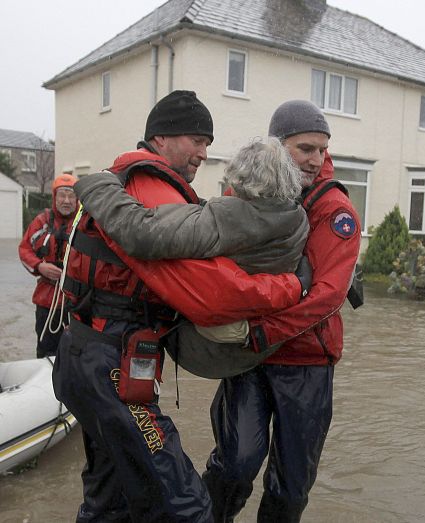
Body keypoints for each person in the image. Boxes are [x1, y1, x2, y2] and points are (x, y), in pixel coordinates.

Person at [52, 90, 310, 523]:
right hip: (112, 364)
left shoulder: (129, 174)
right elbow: (212, 295)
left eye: (208, 144)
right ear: (163, 137)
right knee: (187, 505)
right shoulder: (152, 186)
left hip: (84, 354)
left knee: (108, 500)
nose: (203, 154)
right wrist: (291, 287)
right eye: (197, 140)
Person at [203, 100, 361, 522]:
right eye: (305, 148)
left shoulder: (335, 210)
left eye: (322, 150)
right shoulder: (246, 195)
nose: (317, 159)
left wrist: (262, 332)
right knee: (234, 466)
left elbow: (327, 297)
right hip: (250, 360)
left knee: (290, 488)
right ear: (277, 145)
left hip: (304, 362)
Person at [73, 137, 311, 378]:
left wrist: (98, 186)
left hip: (210, 350)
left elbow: (141, 233)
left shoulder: (228, 219)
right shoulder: (298, 218)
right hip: (260, 346)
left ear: (241, 179)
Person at [18, 173, 78, 358]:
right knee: (46, 354)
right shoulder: (42, 221)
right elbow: (24, 250)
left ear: (77, 199)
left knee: (74, 355)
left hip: (76, 303)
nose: (66, 200)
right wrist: (39, 266)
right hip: (47, 302)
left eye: (71, 195)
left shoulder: (84, 224)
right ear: (54, 197)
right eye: (62, 195)